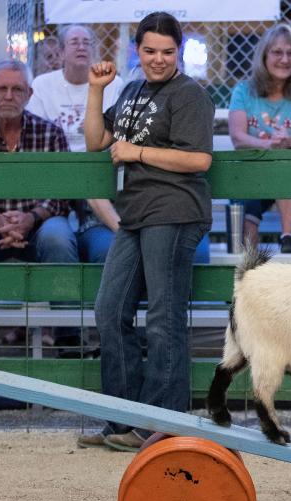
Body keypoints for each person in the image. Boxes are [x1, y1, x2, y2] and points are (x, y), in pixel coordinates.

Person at [81, 11, 214, 452]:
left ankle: (162, 424)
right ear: (136, 51)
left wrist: (137, 151)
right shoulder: (134, 89)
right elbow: (96, 141)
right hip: (135, 216)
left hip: (175, 213)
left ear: (180, 52)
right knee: (108, 311)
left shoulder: (189, 94)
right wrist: (96, 90)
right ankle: (122, 420)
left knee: (163, 318)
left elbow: (199, 160)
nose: (158, 59)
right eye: (150, 51)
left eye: (168, 51)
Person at [27, 24, 125, 264]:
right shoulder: (42, 85)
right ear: (60, 52)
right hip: (56, 176)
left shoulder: (113, 84)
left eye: (87, 42)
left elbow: (117, 135)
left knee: (105, 247)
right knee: (57, 239)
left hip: (99, 175)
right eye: (74, 42)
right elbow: (37, 138)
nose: (81, 47)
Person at [230, 24, 291, 253]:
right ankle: (249, 260)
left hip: (290, 173)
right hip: (252, 171)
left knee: (285, 166)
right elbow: (238, 137)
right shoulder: (243, 91)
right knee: (249, 209)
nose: (285, 59)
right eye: (277, 52)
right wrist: (270, 144)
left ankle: (288, 237)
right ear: (264, 56)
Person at [0, 60, 76, 267]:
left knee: (58, 239)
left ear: (29, 94)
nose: (8, 96)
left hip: (40, 224)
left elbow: (63, 193)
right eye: (1, 88)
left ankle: (66, 299)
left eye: (17, 89)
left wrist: (30, 218)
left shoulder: (50, 133)